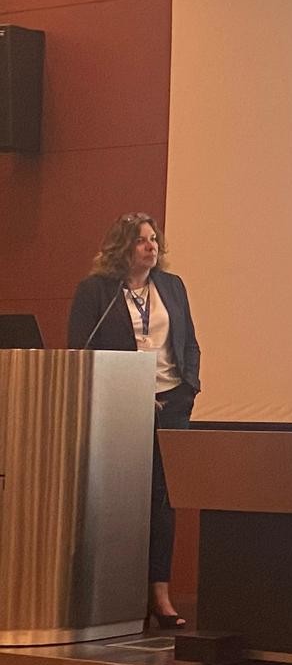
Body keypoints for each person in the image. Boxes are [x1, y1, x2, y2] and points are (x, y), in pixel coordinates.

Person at [67, 213, 201, 631]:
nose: (151, 246)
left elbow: (189, 343)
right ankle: (117, 596)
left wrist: (188, 388)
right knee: (120, 498)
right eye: (142, 240)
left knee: (164, 500)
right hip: (120, 404)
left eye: (154, 239)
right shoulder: (96, 291)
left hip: (171, 404)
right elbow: (80, 350)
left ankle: (160, 594)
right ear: (122, 247)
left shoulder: (172, 286)